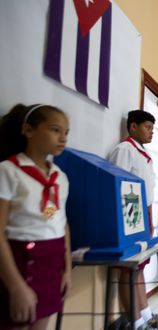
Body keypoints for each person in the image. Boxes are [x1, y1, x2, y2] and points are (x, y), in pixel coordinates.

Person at [0, 104, 72, 330]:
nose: (62, 138)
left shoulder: (60, 176)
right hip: (20, 263)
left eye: (66, 132)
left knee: (41, 324)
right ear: (28, 130)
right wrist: (15, 286)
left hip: (52, 262)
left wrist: (67, 270)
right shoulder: (9, 170)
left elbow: (61, 224)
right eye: (55, 130)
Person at [108, 110, 158, 330]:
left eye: (152, 129)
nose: (151, 133)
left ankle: (146, 315)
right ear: (133, 127)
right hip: (129, 215)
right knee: (129, 268)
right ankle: (136, 322)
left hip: (142, 214)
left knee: (139, 266)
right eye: (147, 127)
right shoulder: (124, 150)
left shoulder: (141, 153)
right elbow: (117, 187)